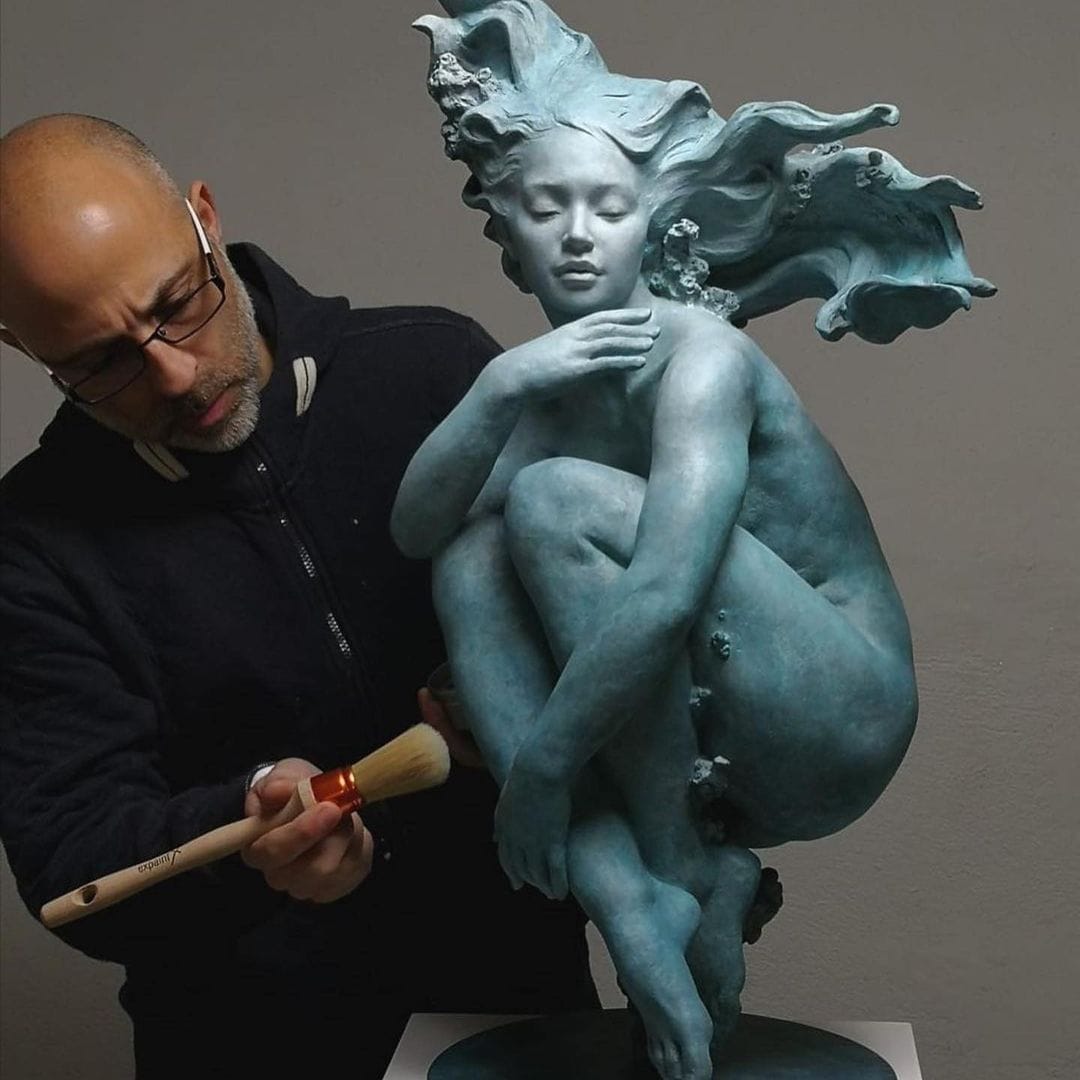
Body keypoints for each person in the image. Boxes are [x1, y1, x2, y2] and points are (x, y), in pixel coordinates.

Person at [391, 3, 995, 1078]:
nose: (579, 232)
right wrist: (498, 386)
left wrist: (539, 773)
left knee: (551, 501)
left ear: (655, 226)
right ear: (509, 232)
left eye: (608, 207)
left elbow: (669, 589)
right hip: (706, 713)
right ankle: (632, 895)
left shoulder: (700, 356)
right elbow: (416, 530)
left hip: (839, 712)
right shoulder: (540, 388)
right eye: (548, 208)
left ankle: (673, 869)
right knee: (472, 553)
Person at [0, 113, 599, 1079]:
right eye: (102, 362)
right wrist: (243, 836)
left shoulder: (435, 371)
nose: (175, 374)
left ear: (204, 219)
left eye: (178, 303)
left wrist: (534, 704)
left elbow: (598, 633)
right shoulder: (32, 542)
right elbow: (73, 861)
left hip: (521, 1023)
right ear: (24, 347)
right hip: (244, 1050)